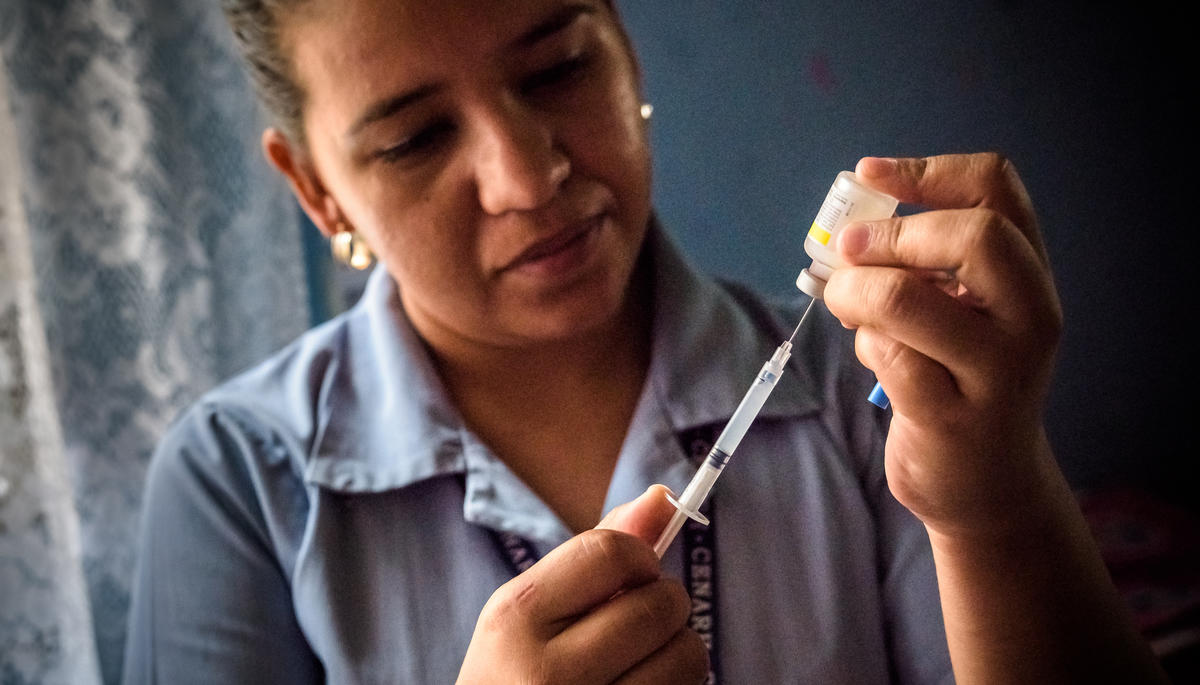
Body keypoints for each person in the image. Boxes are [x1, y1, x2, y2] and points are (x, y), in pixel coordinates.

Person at [122, 1, 1167, 683]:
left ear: (620, 41)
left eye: (558, 68)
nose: (529, 178)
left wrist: (996, 501)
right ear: (314, 189)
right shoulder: (237, 481)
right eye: (414, 138)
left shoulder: (868, 390)